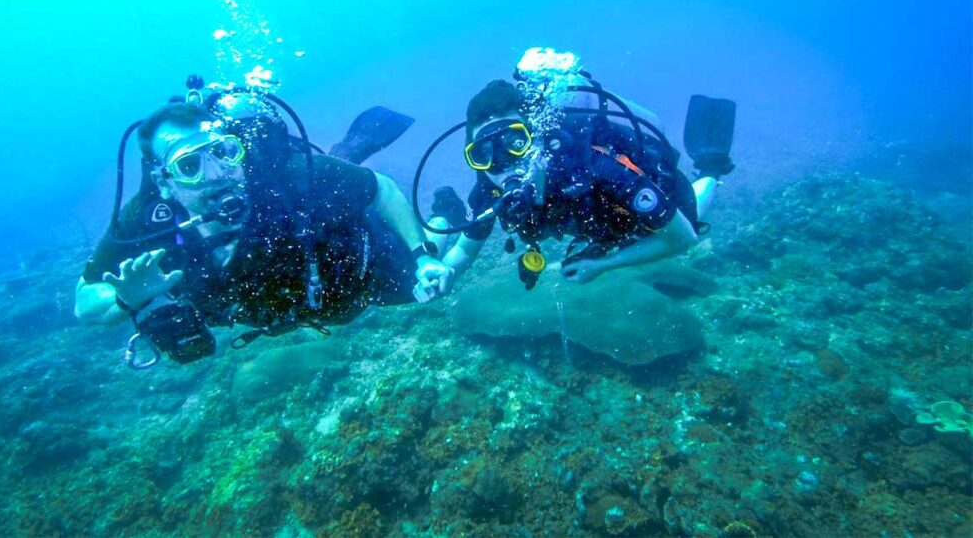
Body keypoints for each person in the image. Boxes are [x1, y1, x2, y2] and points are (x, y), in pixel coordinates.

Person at [75, 95, 454, 366]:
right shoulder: (146, 221)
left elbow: (382, 189)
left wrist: (423, 259)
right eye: (190, 167)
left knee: (434, 280)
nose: (218, 175)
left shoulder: (284, 173)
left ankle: (445, 214)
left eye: (223, 153)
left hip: (358, 274)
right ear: (162, 180)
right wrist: (125, 299)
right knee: (327, 176)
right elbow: (85, 302)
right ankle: (343, 157)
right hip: (281, 308)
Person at [433, 48, 735, 289]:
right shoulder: (490, 188)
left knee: (690, 218)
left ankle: (710, 168)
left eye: (515, 142)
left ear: (536, 136)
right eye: (483, 153)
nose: (504, 164)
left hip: (633, 210)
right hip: (591, 226)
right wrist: (445, 271)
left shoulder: (596, 167)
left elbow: (683, 238)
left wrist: (603, 265)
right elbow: (464, 250)